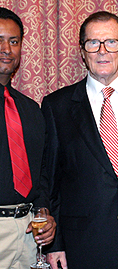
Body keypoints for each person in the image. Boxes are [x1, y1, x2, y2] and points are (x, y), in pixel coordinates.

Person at [42, 11, 118, 269]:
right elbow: (50, 181)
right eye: (92, 43)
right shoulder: (58, 106)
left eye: (111, 42)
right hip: (83, 245)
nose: (102, 51)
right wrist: (55, 245)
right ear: (82, 51)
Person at [0, 7, 56, 269]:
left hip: (28, 235)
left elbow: (40, 171)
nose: (6, 49)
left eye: (14, 41)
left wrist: (43, 210)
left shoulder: (31, 109)